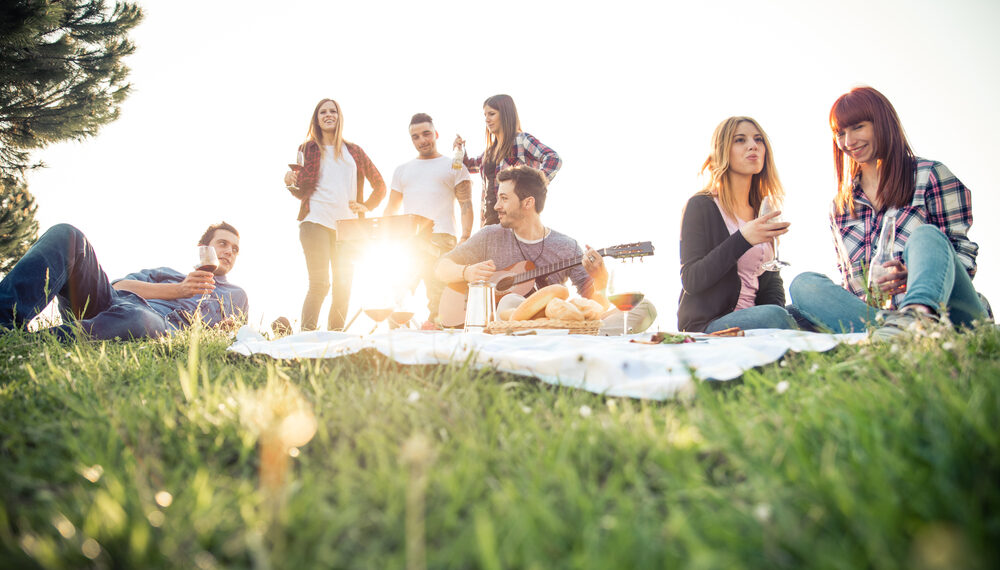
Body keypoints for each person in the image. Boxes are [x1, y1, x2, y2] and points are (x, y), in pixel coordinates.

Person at [789, 86, 987, 339]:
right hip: (877, 318)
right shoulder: (840, 207)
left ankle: (917, 317)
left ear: (882, 123)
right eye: (841, 133)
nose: (848, 142)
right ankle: (895, 330)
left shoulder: (930, 175)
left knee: (925, 235)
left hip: (951, 314)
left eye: (858, 127)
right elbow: (851, 284)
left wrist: (916, 276)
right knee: (804, 284)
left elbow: (963, 256)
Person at [435, 165, 655, 335]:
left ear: (527, 203)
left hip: (555, 324)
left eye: (504, 198)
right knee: (509, 302)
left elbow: (595, 308)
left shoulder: (566, 246)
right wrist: (466, 273)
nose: (496, 206)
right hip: (508, 324)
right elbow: (440, 267)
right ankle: (574, 339)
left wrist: (601, 279)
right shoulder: (489, 236)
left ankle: (573, 337)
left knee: (645, 308)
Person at [0, 222, 248, 340]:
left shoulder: (236, 295)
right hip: (107, 302)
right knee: (67, 235)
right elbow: (118, 287)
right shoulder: (166, 273)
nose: (229, 252)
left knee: (141, 319)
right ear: (204, 248)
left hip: (153, 324)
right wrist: (178, 289)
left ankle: (24, 344)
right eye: (223, 244)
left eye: (235, 249)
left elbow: (237, 334)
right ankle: (4, 324)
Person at [677, 116, 797, 333]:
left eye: (758, 139)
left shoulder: (761, 210)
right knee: (777, 317)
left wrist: (777, 317)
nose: (753, 145)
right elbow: (691, 279)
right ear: (723, 151)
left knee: (807, 302)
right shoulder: (701, 206)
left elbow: (770, 279)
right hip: (712, 324)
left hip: (758, 317)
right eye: (740, 140)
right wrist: (743, 238)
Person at [283, 98, 386, 331]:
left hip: (349, 229)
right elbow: (301, 192)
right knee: (319, 284)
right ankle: (307, 338)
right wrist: (290, 183)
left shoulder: (355, 152)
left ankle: (335, 340)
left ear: (339, 116)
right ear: (316, 119)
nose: (328, 115)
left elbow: (380, 185)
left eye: (333, 111)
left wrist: (367, 206)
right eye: (323, 112)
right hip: (315, 222)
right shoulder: (307, 149)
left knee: (343, 286)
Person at [383, 113, 474, 322]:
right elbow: (391, 209)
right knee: (397, 297)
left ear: (436, 134)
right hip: (408, 242)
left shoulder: (454, 166)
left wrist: (465, 237)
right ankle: (394, 346)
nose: (422, 140)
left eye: (426, 134)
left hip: (443, 240)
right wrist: (384, 238)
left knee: (439, 300)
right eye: (415, 137)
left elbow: (466, 205)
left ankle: (441, 347)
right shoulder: (402, 170)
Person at [454, 94, 561, 226]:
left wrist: (534, 185)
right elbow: (469, 166)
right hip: (489, 221)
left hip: (516, 220)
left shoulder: (521, 140)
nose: (487, 119)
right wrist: (460, 150)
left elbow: (553, 159)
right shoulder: (489, 152)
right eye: (485, 115)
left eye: (491, 114)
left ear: (505, 115)